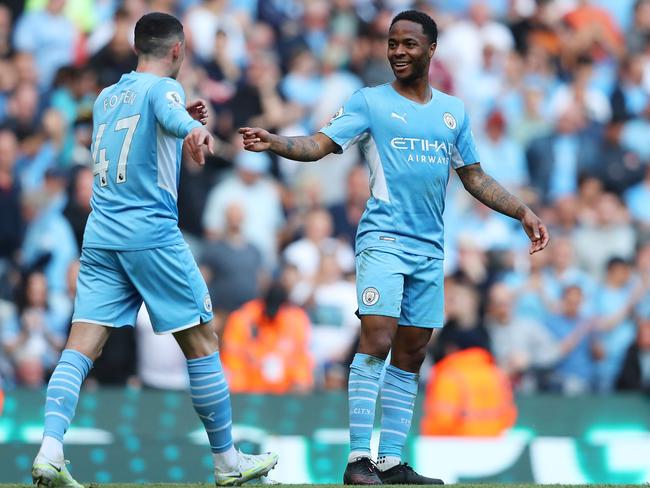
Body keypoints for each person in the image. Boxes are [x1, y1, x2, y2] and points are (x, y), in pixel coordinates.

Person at [240, 9, 549, 486]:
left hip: (429, 248)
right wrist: (276, 141)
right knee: (378, 336)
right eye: (392, 43)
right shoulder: (369, 102)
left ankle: (390, 461)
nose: (398, 52)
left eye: (408, 44)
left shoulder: (453, 112)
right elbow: (319, 145)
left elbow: (475, 177)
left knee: (411, 351)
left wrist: (522, 211)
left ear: (431, 49)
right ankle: (357, 459)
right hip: (382, 239)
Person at [31, 13, 277, 488]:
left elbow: (147, 128)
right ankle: (227, 462)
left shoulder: (106, 97)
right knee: (202, 342)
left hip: (101, 235)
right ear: (178, 51)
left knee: (80, 348)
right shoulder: (166, 89)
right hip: (150, 233)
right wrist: (194, 130)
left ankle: (50, 450)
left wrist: (184, 126)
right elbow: (168, 108)